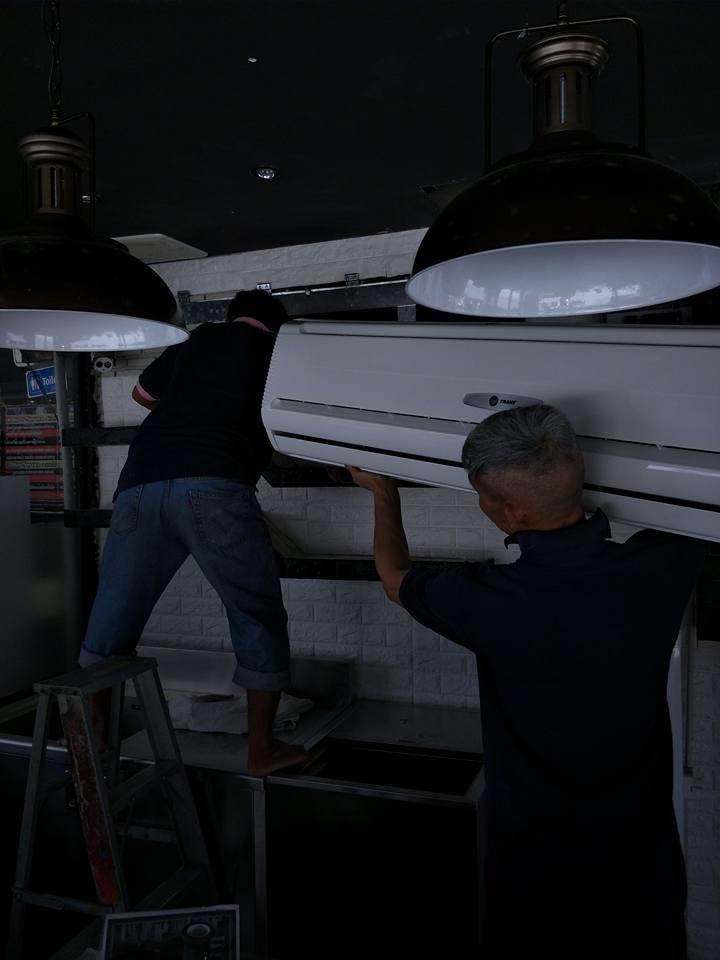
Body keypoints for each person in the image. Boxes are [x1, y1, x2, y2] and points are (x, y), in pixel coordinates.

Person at [347, 403, 703, 960]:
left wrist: (382, 492)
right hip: (643, 868)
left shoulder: (488, 601)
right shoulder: (663, 565)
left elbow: (394, 579)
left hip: (536, 874)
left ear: (513, 513)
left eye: (483, 497)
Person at [79, 289, 306, 776]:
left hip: (139, 484)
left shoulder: (196, 340)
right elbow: (294, 415)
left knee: (114, 610)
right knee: (254, 612)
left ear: (233, 315)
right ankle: (262, 751)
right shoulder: (276, 349)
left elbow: (142, 395)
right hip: (214, 483)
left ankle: (95, 733)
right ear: (277, 324)